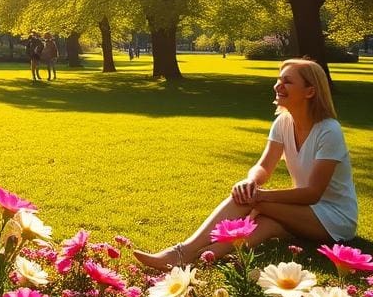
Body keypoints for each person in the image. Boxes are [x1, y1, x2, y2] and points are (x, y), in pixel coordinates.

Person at [134, 58, 358, 269]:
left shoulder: (329, 131)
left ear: (310, 91)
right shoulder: (283, 122)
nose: (278, 85)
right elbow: (264, 166)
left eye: (287, 81)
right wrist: (251, 182)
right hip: (303, 210)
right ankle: (207, 256)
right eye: (279, 79)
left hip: (334, 219)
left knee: (254, 203)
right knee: (266, 220)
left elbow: (312, 193)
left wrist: (260, 196)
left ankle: (182, 252)